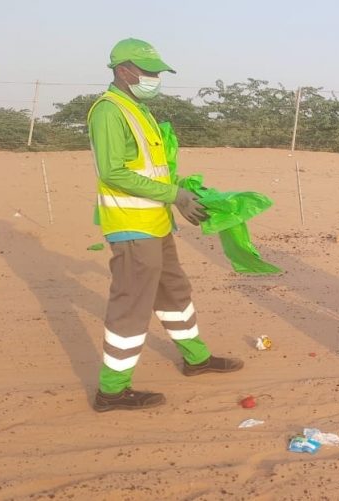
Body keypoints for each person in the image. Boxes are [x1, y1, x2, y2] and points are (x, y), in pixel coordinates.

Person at [87, 38, 243, 412]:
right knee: (132, 305)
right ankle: (112, 389)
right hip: (130, 225)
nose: (155, 78)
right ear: (124, 70)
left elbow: (153, 169)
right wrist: (174, 194)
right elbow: (113, 172)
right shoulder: (109, 111)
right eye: (149, 72)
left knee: (174, 291)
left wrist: (183, 191)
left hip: (157, 223)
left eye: (157, 72)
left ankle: (196, 358)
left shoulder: (137, 108)